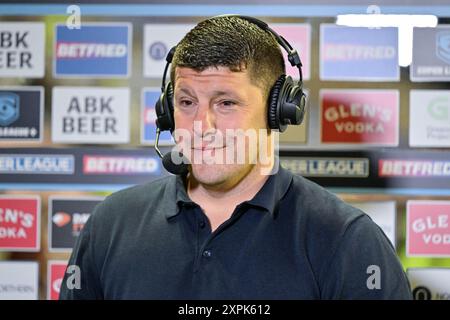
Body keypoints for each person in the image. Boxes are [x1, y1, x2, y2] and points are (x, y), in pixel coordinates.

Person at [60, 15, 412, 299]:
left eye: (226, 103)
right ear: (167, 110)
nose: (201, 125)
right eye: (186, 102)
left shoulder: (346, 240)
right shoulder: (110, 225)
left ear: (278, 112)